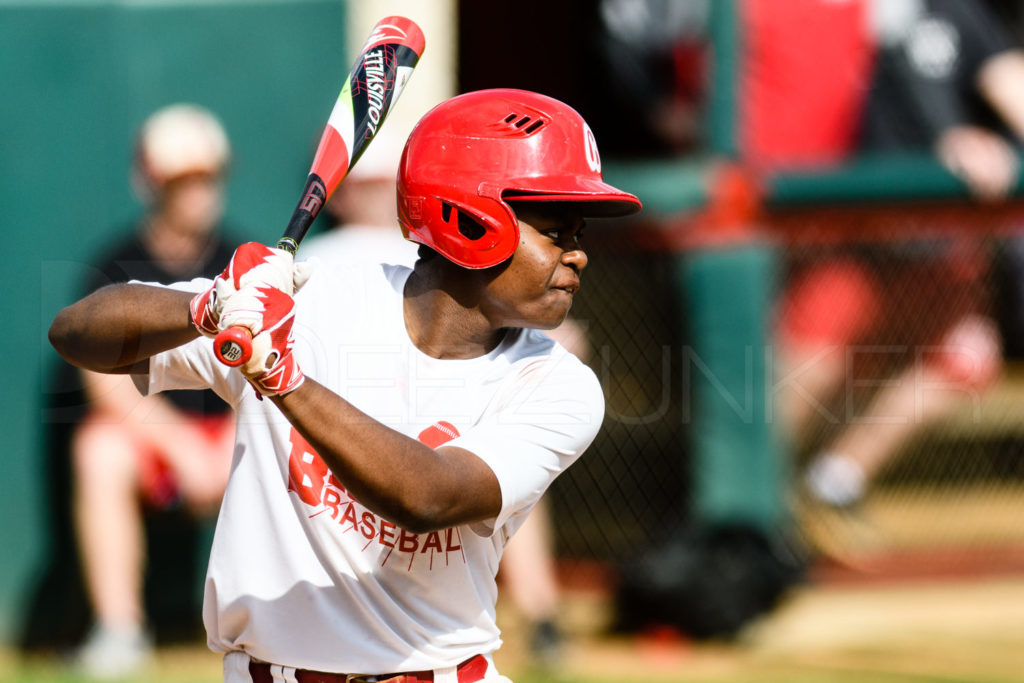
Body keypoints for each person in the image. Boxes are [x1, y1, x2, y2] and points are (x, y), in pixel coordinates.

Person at [49, 88, 641, 682]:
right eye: (557, 232)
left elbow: (428, 499)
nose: (578, 256)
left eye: (578, 235)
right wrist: (210, 304)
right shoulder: (322, 300)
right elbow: (76, 333)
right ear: (468, 221)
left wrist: (282, 379)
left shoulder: (560, 385)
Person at [777, 0, 1024, 561]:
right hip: (840, 227)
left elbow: (1014, 92)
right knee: (809, 371)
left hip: (936, 240)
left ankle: (831, 484)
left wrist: (991, 143)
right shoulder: (824, 11)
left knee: (965, 356)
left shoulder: (956, 13)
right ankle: (745, 510)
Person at [67, 103, 238, 677]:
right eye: (183, 181)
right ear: (153, 184)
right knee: (98, 451)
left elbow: (277, 368)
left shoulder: (245, 258)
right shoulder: (114, 265)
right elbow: (102, 384)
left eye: (207, 177)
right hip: (163, 453)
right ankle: (120, 632)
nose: (199, 193)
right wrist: (181, 445)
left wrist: (230, 441)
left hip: (239, 441)